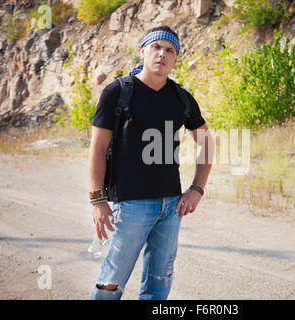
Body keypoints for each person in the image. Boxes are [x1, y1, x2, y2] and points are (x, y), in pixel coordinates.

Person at [88, 25, 213, 300]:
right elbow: (97, 150)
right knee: (111, 283)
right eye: (156, 47)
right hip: (130, 204)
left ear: (175, 59)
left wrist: (197, 188)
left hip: (171, 207)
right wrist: (98, 201)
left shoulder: (181, 98)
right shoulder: (118, 92)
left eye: (170, 50)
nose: (162, 54)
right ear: (143, 51)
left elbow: (207, 141)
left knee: (159, 283)